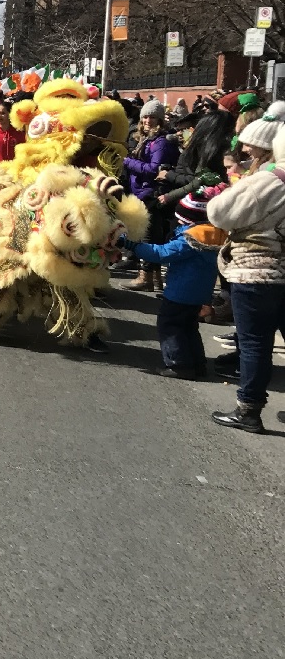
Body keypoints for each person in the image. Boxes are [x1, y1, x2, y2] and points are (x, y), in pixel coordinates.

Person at [206, 118, 285, 432]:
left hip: (256, 271)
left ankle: (248, 410)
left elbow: (219, 212)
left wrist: (238, 182)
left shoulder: (270, 181)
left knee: (254, 343)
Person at [123, 193, 223, 379]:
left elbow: (160, 253)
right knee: (189, 327)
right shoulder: (214, 235)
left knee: (170, 325)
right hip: (200, 294)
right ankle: (197, 364)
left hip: (180, 293)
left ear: (186, 219)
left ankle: (179, 364)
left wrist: (131, 245)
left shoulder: (189, 240)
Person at [124, 99, 181, 291]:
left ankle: (145, 277)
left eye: (153, 117)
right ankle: (154, 278)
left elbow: (154, 169)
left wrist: (128, 162)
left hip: (152, 193)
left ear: (160, 120)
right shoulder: (145, 139)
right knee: (150, 235)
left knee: (149, 236)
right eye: (145, 117)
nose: (148, 120)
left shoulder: (161, 142)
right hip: (142, 191)